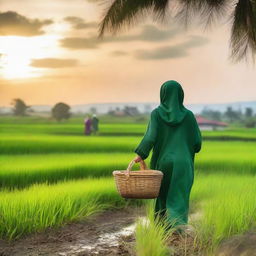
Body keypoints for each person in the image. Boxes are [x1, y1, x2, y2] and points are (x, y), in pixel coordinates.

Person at [133, 80, 202, 233]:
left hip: (163, 162)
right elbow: (197, 143)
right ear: (180, 95)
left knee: (162, 194)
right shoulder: (189, 116)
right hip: (183, 163)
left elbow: (150, 137)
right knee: (179, 195)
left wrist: (141, 154)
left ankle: (161, 227)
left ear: (163, 94)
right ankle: (177, 228)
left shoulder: (156, 114)